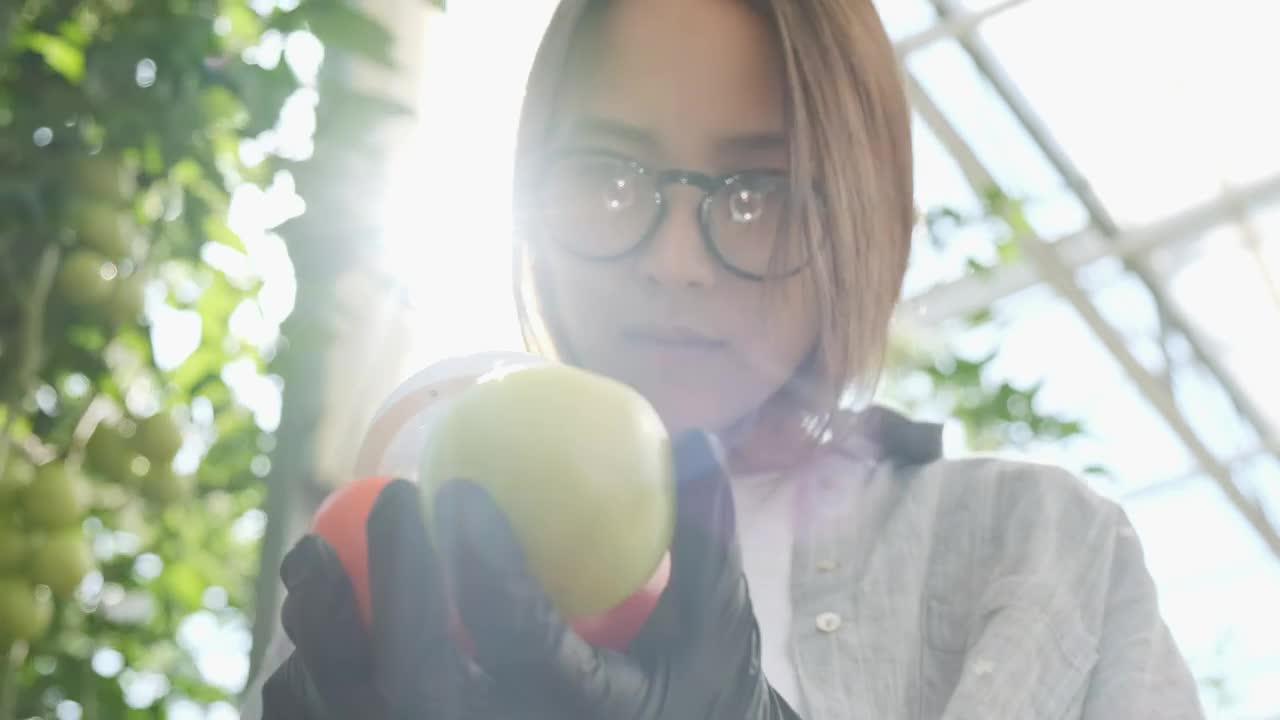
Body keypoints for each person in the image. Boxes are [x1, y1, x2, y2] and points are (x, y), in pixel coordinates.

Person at [245, 0, 1207, 717]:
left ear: (870, 220)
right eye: (611, 176)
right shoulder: (392, 550)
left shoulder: (1041, 558)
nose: (673, 261)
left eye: (759, 195)